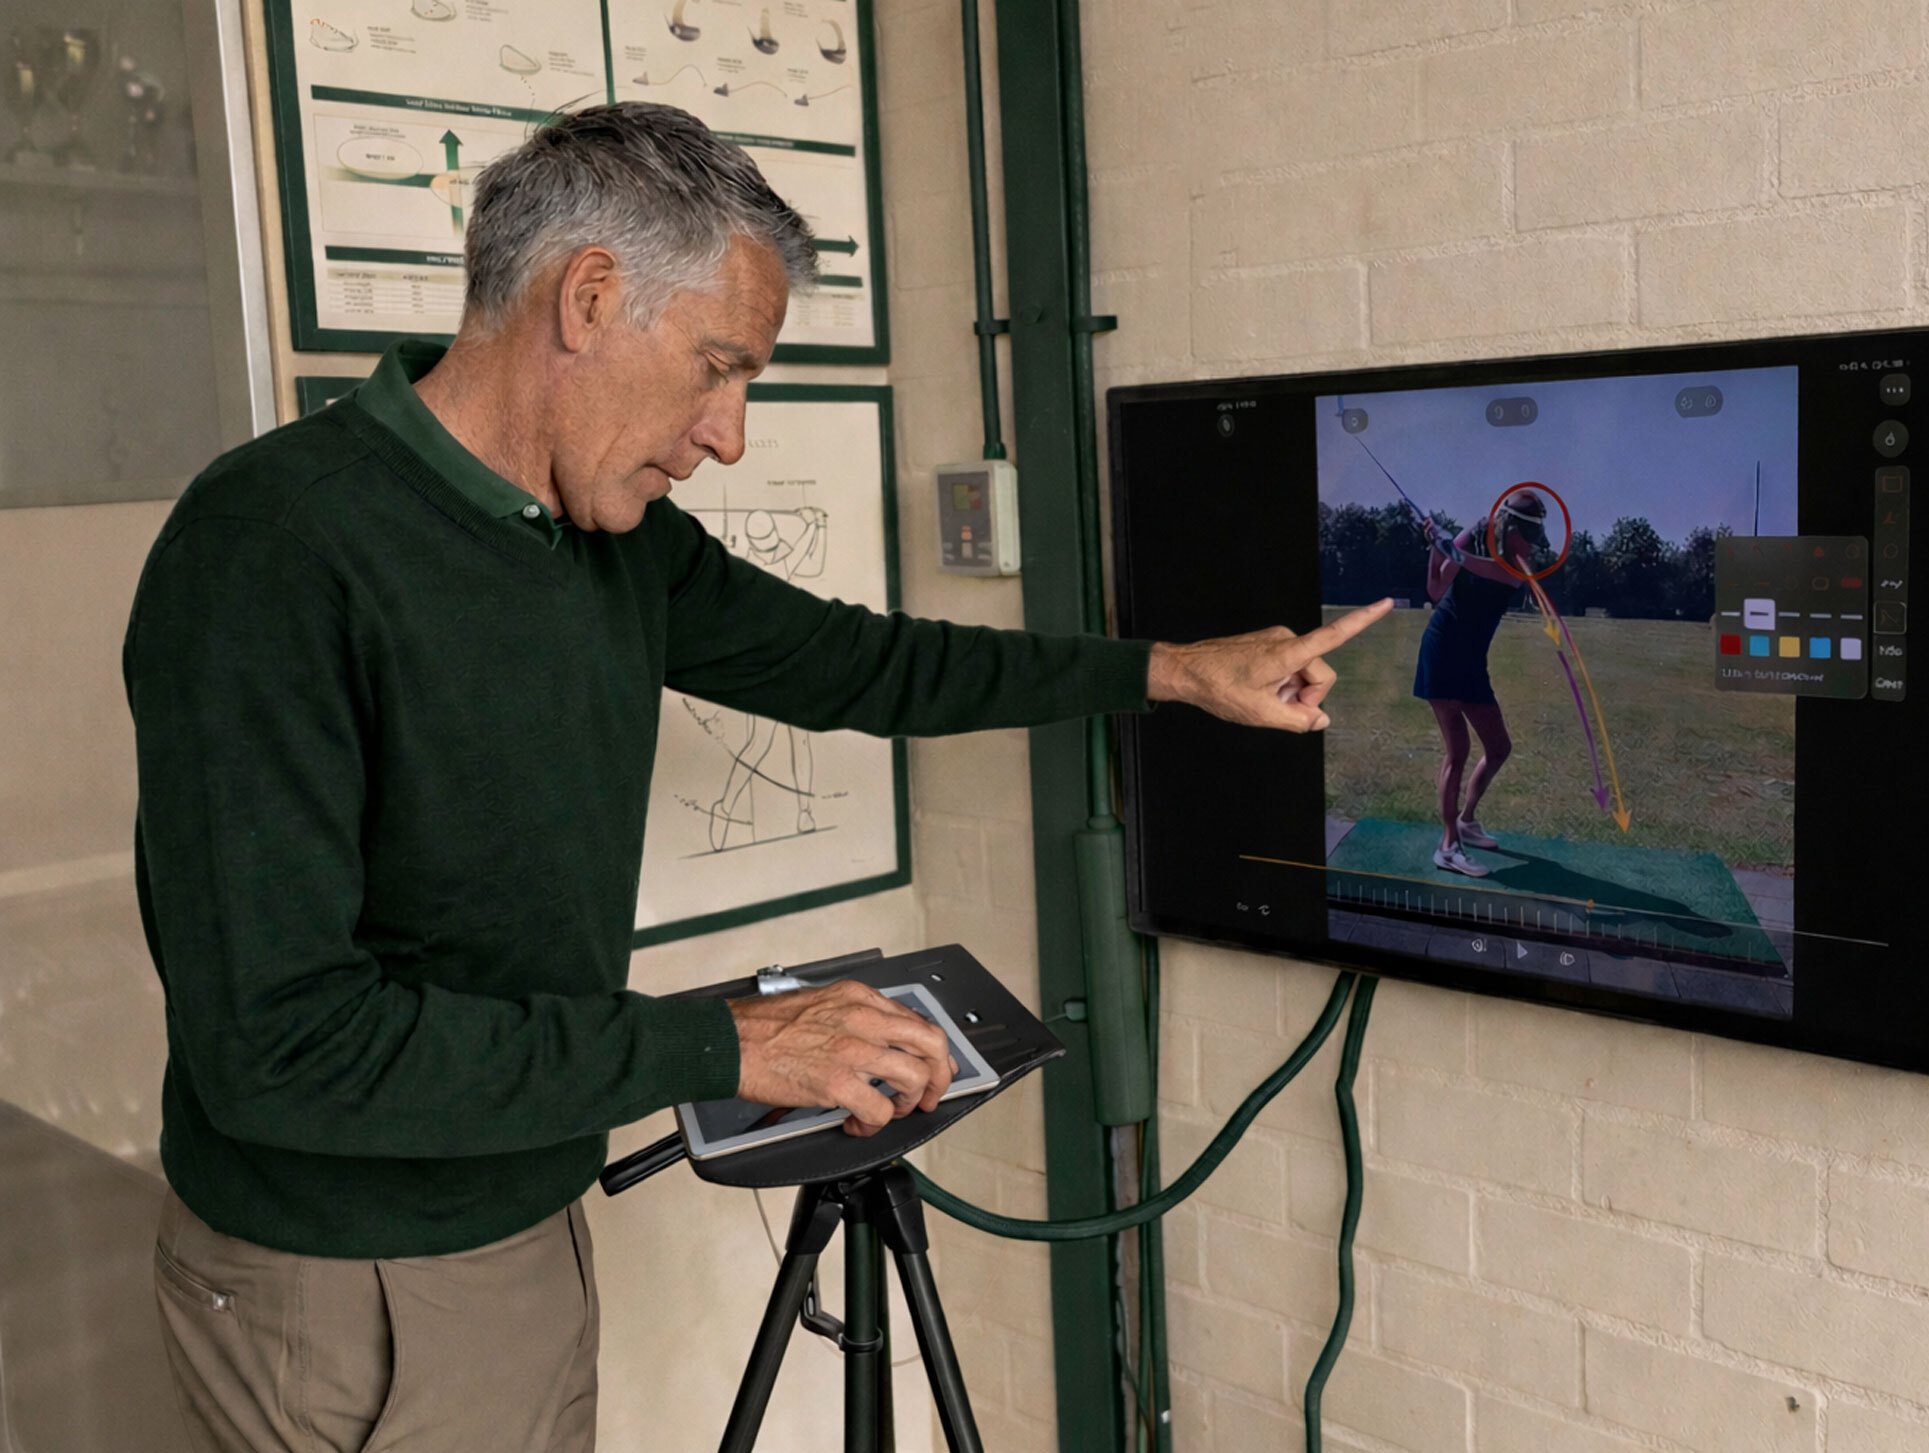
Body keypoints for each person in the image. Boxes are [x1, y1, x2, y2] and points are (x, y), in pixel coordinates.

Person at [124, 103, 1391, 1453]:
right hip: (347, 1269)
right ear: (588, 298)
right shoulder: (273, 548)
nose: (726, 436)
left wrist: (1171, 673)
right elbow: (282, 1049)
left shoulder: (605, 536)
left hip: (514, 1201)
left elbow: (865, 666)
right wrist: (729, 1043)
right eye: (718, 368)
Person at [1413, 489, 1550, 878]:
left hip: (1472, 661)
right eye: (1528, 537)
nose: (1533, 547)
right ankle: (1448, 846)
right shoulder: (1471, 537)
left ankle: (1467, 822)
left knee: (1499, 747)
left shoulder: (1517, 567)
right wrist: (1436, 546)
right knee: (1457, 750)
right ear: (1511, 529)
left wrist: (1451, 550)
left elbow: (1487, 569)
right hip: (1443, 651)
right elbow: (1436, 590)